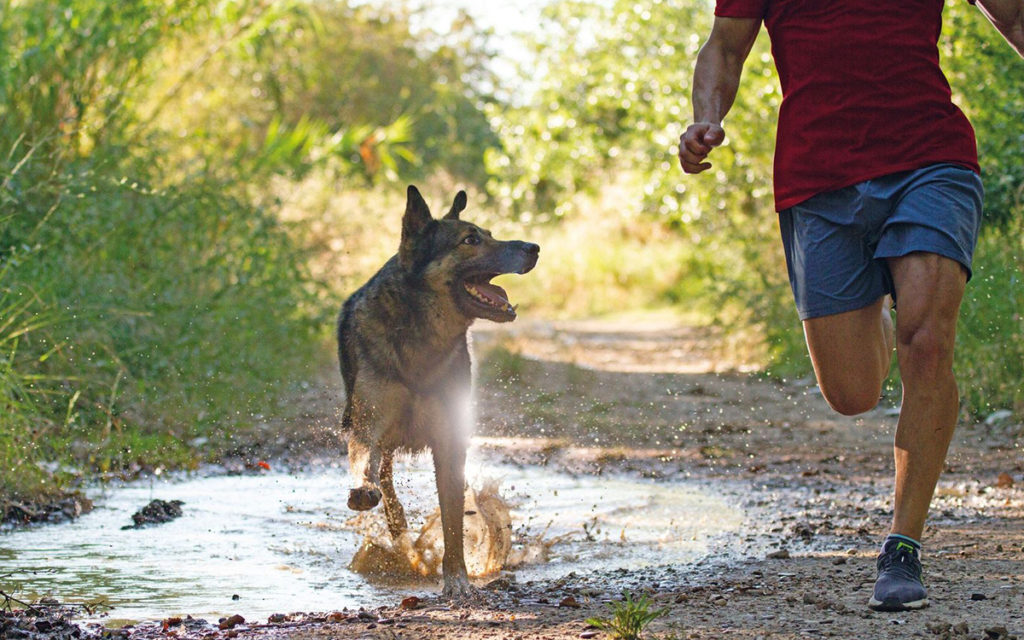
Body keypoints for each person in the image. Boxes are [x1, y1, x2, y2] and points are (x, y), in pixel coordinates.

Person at [678, 0, 1024, 612]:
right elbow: (726, 47)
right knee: (853, 392)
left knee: (929, 341)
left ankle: (902, 546)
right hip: (817, 179)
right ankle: (886, 309)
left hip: (931, 159)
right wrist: (705, 118)